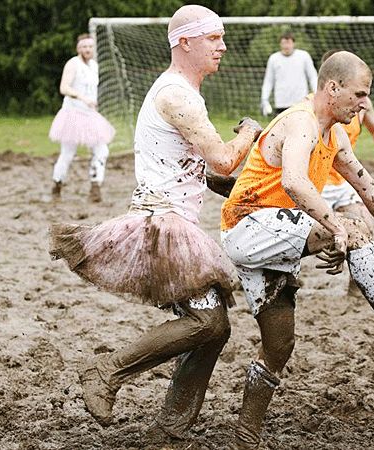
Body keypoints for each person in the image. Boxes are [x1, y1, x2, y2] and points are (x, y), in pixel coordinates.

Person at [220, 51, 374, 449]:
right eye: (359, 94)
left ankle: (245, 434)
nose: (365, 104)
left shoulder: (334, 134)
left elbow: (366, 185)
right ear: (332, 88)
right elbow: (296, 183)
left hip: (273, 237)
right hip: (248, 229)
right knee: (352, 227)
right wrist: (335, 231)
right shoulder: (300, 122)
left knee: (279, 345)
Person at [49, 5, 262, 439]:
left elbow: (202, 170)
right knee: (207, 324)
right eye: (213, 38)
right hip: (162, 225)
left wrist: (249, 193)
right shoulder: (177, 94)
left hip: (171, 222)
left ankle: (169, 428)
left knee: (215, 328)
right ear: (184, 42)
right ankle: (106, 372)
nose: (222, 46)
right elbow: (222, 157)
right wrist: (250, 133)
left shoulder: (182, 93)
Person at [49, 34, 115, 203]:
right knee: (68, 153)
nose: (87, 49)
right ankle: (57, 184)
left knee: (102, 150)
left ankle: (95, 187)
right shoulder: (73, 64)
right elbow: (64, 87)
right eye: (84, 46)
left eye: (90, 46)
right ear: (78, 48)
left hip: (89, 114)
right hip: (72, 113)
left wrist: (92, 101)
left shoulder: (94, 66)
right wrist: (81, 97)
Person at [260, 32, 317, 116]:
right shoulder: (273, 58)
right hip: (281, 103)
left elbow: (313, 77)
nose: (286, 46)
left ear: (293, 43)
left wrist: (316, 93)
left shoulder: (304, 56)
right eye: (283, 43)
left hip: (301, 103)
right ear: (280, 44)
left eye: (288, 43)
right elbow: (268, 81)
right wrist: (264, 99)